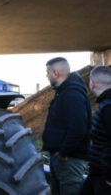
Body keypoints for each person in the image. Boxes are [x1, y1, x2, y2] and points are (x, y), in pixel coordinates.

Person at [43, 57, 92, 195]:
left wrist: (64, 152)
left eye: (47, 72)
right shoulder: (64, 92)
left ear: (56, 73)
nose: (46, 76)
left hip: (69, 160)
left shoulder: (72, 94)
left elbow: (78, 128)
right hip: (61, 159)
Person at [82, 66, 111, 194]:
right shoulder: (106, 105)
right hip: (98, 174)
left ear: (92, 84)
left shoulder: (108, 107)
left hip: (104, 177)